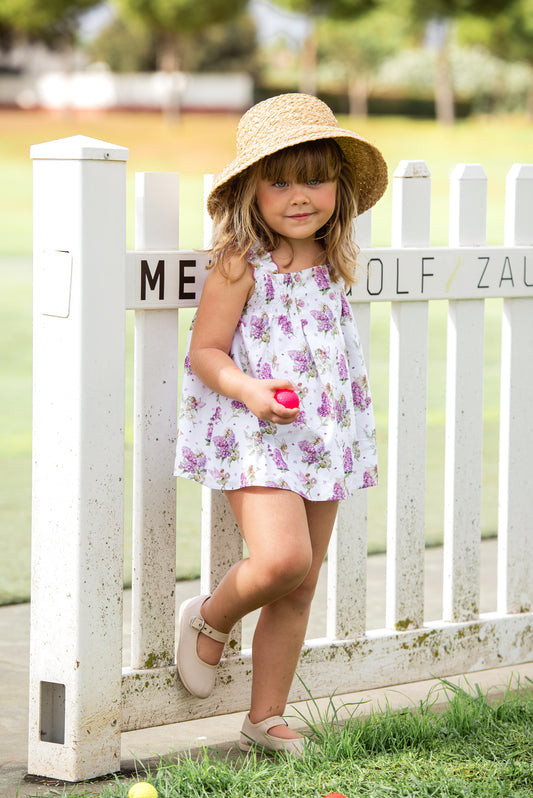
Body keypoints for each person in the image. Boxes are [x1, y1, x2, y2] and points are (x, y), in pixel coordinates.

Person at [174, 93, 388, 756]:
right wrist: (248, 388)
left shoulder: (333, 256)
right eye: (280, 180)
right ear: (250, 190)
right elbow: (204, 351)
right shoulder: (240, 264)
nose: (300, 196)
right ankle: (209, 620)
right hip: (256, 433)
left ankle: (264, 717)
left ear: (338, 189)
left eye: (316, 178)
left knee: (301, 582)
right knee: (282, 560)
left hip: (322, 435)